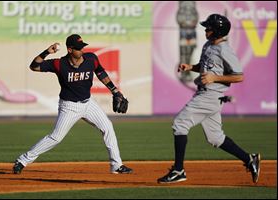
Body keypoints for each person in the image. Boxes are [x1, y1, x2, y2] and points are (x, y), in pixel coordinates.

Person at [157, 14, 260, 184]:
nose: (206, 29)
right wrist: (191, 67)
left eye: (209, 27)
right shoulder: (208, 45)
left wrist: (214, 78)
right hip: (206, 94)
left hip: (210, 95)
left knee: (180, 124)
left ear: (217, 31)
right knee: (215, 138)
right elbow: (206, 67)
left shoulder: (225, 50)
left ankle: (178, 170)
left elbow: (238, 76)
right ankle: (249, 159)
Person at [13, 34, 133, 175]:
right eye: (78, 48)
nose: (81, 50)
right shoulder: (59, 64)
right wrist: (47, 52)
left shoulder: (91, 59)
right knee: (56, 137)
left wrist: (114, 91)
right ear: (70, 50)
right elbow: (34, 66)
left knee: (108, 128)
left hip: (88, 103)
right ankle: (22, 160)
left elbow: (100, 72)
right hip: (69, 106)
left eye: (82, 47)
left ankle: (116, 165)